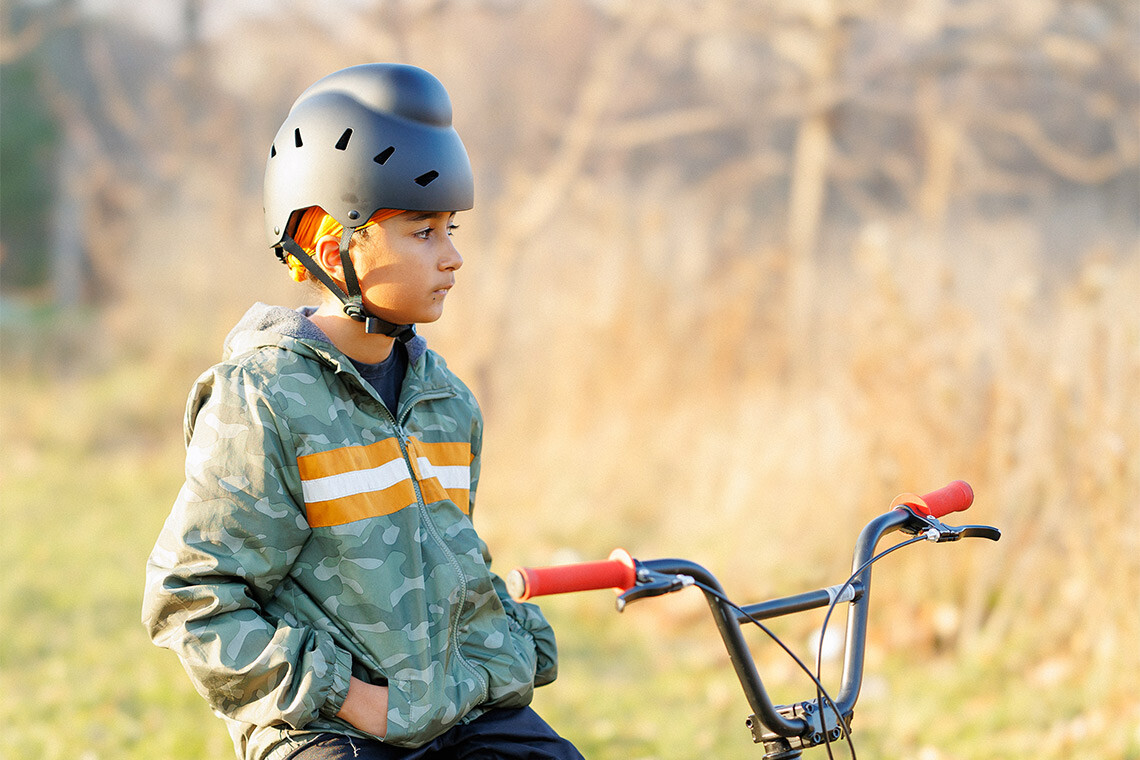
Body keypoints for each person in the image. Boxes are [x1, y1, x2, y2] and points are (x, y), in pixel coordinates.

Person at [142, 63, 583, 760]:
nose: (453, 256)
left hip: (458, 711)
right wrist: (349, 698)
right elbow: (192, 600)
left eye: (451, 228)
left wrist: (503, 650)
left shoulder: (446, 401)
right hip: (327, 726)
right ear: (329, 248)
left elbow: (444, 560)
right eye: (423, 232)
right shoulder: (263, 399)